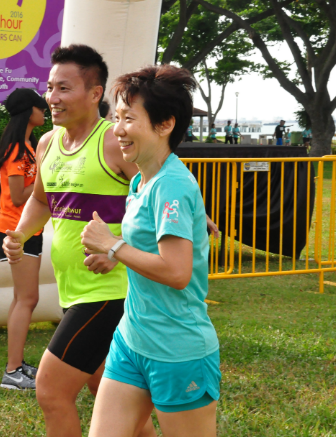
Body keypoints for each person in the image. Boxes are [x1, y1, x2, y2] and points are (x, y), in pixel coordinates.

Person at [1, 45, 157, 437]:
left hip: (112, 291)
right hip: (73, 288)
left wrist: (117, 250)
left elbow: (159, 204)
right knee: (111, 396)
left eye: (64, 88)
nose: (52, 97)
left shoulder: (116, 143)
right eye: (50, 87)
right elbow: (41, 200)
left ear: (94, 93)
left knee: (51, 390)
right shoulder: (47, 143)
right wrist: (21, 232)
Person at [82, 64, 220, 437]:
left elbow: (177, 272)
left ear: (165, 125)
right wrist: (113, 255)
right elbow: (146, 247)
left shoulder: (171, 185)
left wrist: (113, 245)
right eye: (116, 118)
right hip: (132, 341)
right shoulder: (142, 180)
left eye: (129, 118)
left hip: (177, 351)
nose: (117, 129)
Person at [0, 88, 47, 390]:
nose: (45, 111)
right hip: (16, 231)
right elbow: (17, 196)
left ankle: (16, 365)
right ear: (30, 111)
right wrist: (44, 182)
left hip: (23, 230)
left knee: (22, 298)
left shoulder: (26, 146)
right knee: (27, 299)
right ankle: (12, 372)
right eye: (41, 106)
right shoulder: (18, 149)